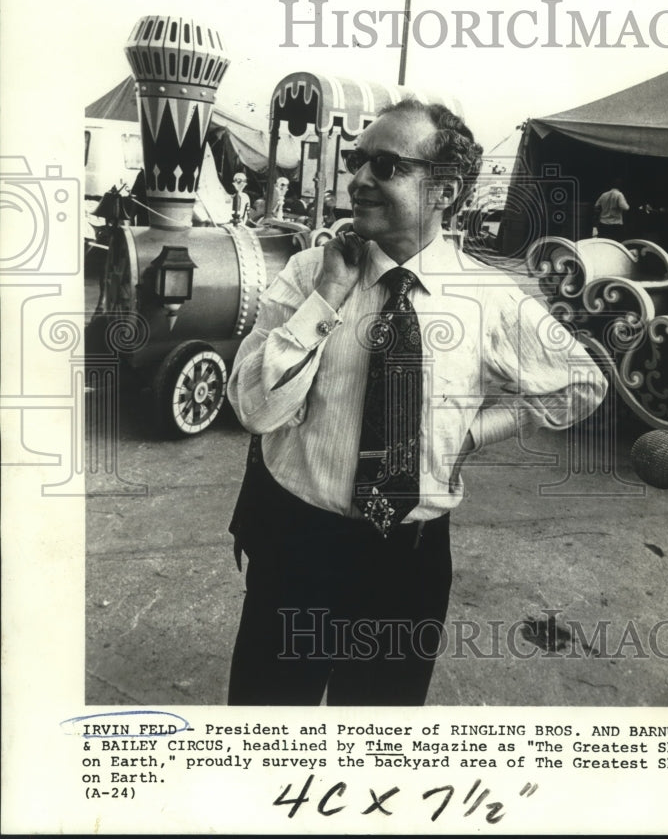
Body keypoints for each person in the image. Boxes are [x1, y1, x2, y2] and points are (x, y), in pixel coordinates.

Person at [226, 98, 607, 706]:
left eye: (386, 165)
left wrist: (477, 433)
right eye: (356, 161)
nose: (358, 179)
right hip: (297, 550)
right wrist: (325, 298)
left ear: (446, 190)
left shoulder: (487, 298)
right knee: (264, 724)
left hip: (406, 566)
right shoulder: (305, 274)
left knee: (380, 742)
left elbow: (582, 383)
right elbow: (253, 408)